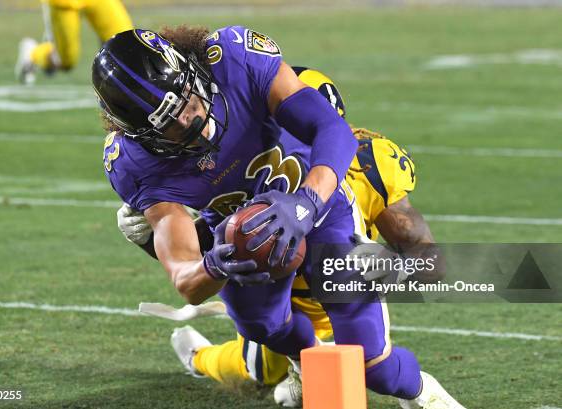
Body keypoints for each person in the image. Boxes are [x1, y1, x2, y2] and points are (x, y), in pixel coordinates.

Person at [94, 26, 463, 408]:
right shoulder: (135, 165)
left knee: (373, 367)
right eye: (169, 122)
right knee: (259, 327)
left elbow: (332, 131)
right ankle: (298, 360)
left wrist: (306, 206)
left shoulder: (234, 60)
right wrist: (216, 265)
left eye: (188, 102)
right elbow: (186, 275)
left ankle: (424, 394)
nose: (193, 120)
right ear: (139, 135)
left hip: (320, 211)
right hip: (250, 243)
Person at [15, 0, 133, 84]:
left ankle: (119, 93)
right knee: (66, 61)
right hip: (65, 3)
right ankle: (34, 54)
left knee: (126, 43)